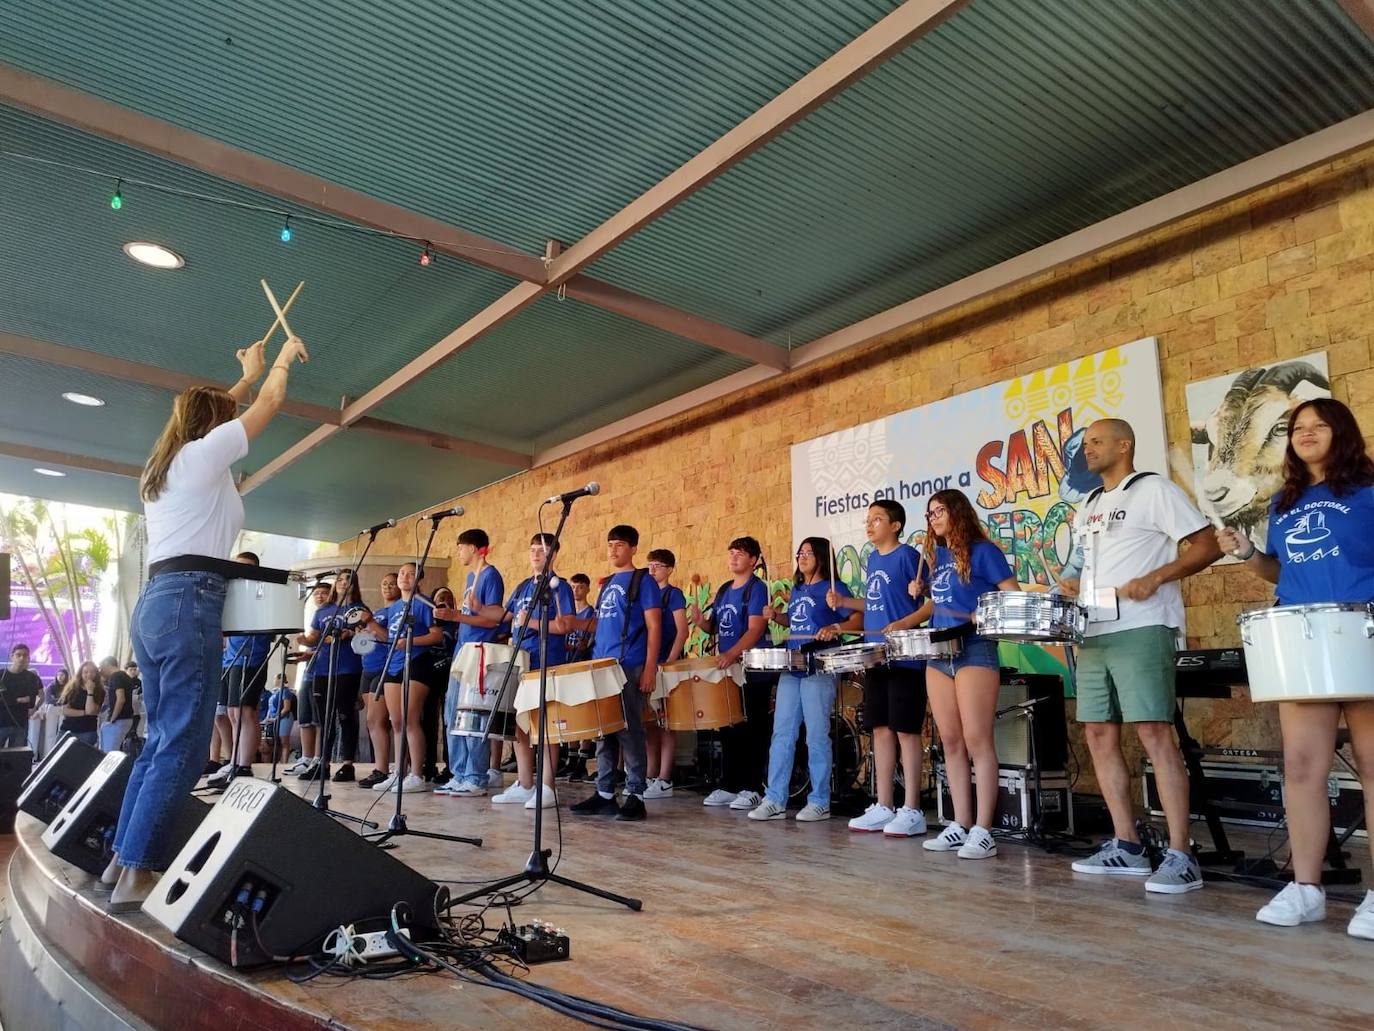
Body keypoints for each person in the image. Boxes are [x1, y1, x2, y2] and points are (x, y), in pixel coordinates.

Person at [105, 327, 307, 910]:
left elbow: (225, 406)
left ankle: (122, 858)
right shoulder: (203, 455)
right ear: (213, 424)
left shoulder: (166, 463)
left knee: (160, 740)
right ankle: (136, 871)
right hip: (190, 597)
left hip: (158, 602)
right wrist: (282, 362)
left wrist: (246, 373)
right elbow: (269, 404)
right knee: (185, 746)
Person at [1218, 398, 1374, 937]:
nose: (1305, 434)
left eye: (1318, 425)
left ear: (1341, 432)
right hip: (1303, 639)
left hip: (1362, 631)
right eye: (1297, 428)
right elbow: (1280, 571)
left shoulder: (1369, 492)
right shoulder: (1284, 503)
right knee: (1303, 767)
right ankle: (1306, 888)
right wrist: (1247, 553)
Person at [1060, 418, 1220, 895]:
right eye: (1085, 443)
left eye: (1097, 441)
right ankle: (1127, 845)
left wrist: (1157, 576)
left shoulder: (1152, 489)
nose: (1088, 450)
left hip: (1142, 626)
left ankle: (1181, 854)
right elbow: (1091, 567)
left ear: (1124, 445)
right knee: (1097, 733)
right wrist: (1073, 586)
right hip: (1093, 630)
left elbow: (1208, 544)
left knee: (1153, 731)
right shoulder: (1088, 504)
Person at [901, 490, 1019, 859]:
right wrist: (919, 595)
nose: (933, 518)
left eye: (940, 511)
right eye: (929, 513)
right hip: (939, 653)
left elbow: (1012, 595)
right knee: (950, 741)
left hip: (975, 648)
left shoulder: (984, 552)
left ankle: (984, 830)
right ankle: (960, 823)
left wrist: (982, 614)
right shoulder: (937, 557)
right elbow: (941, 602)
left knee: (977, 739)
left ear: (958, 512)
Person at [827, 500, 929, 837]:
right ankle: (884, 804)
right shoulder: (872, 559)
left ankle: (912, 808)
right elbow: (873, 603)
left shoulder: (908, 556)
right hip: (875, 656)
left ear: (896, 525)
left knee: (906, 730)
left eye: (877, 519)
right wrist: (845, 603)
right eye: (867, 520)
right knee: (881, 729)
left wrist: (903, 623)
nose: (869, 525)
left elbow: (929, 602)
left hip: (903, 656)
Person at [748, 537, 861, 822]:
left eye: (809, 552)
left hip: (818, 666)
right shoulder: (798, 589)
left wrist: (836, 627)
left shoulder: (833, 588)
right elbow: (796, 620)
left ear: (822, 557)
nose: (802, 556)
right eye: (800, 552)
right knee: (782, 734)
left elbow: (857, 619)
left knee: (816, 735)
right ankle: (775, 798)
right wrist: (777, 616)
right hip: (792, 666)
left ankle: (820, 800)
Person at [570, 524, 662, 822]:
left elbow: (654, 627)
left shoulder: (643, 581)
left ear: (633, 548)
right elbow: (604, 622)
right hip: (602, 664)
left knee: (629, 729)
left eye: (620, 544)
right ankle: (605, 792)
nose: (613, 550)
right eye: (610, 544)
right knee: (603, 729)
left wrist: (649, 668)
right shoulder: (607, 582)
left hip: (629, 663)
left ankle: (636, 794)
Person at [489, 533, 576, 810]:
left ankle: (547, 787)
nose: (536, 554)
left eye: (542, 550)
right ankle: (525, 783)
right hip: (521, 659)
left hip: (546, 659)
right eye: (532, 549)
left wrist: (533, 623)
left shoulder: (559, 587)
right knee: (520, 722)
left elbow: (566, 625)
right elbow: (505, 618)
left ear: (554, 554)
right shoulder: (523, 586)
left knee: (545, 724)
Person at [687, 536, 774, 811]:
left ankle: (752, 787)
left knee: (752, 729)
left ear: (754, 560)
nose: (733, 557)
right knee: (728, 728)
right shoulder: (725, 589)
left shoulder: (757, 588)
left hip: (751, 670)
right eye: (731, 552)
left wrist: (732, 653)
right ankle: (729, 784)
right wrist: (700, 622)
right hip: (728, 670)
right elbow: (714, 627)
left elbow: (756, 629)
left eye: (740, 553)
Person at [359, 562, 444, 793]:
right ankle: (398, 772)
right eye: (402, 573)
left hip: (416, 661)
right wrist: (370, 627)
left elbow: (436, 635)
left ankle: (417, 774)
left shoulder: (424, 603)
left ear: (419, 578)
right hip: (393, 664)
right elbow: (389, 637)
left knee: (409, 719)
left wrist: (410, 642)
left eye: (411, 574)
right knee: (396, 721)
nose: (405, 577)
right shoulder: (394, 607)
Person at [433, 529, 505, 796]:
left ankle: (476, 776)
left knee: (472, 715)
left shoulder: (490, 575)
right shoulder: (471, 576)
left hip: (478, 651)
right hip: (462, 651)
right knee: (452, 713)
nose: (458, 552)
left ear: (474, 548)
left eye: (461, 547)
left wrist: (456, 617)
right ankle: (459, 772)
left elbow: (493, 620)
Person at [206, 551, 275, 788]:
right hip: (230, 658)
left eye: (247, 567)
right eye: (238, 566)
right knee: (232, 713)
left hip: (251, 656)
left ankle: (244, 766)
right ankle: (235, 760)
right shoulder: (231, 592)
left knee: (246, 712)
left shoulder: (261, 593)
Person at [297, 569, 365, 783]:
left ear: (354, 584)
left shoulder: (359, 609)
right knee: (324, 717)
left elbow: (365, 636)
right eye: (340, 579)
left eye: (348, 579)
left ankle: (347, 764)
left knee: (345, 715)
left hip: (348, 668)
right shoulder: (324, 610)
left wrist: (350, 633)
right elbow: (313, 637)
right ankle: (323, 763)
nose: (343, 583)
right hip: (322, 668)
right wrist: (303, 639)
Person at [643, 549, 688, 799]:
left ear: (669, 569)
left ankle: (665, 778)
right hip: (648, 664)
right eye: (649, 565)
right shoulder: (645, 593)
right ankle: (650, 774)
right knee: (649, 722)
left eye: (657, 566)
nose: (652, 570)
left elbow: (682, 631)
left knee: (666, 722)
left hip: (665, 664)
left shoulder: (673, 594)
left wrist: (670, 661)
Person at [284, 581, 330, 778]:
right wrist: (303, 645)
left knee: (318, 719)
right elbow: (311, 643)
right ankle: (306, 757)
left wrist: (310, 650)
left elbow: (328, 645)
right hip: (309, 672)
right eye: (317, 593)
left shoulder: (333, 616)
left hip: (324, 672)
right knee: (304, 717)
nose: (319, 596)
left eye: (324, 593)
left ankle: (318, 758)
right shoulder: (316, 616)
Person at [358, 570, 400, 788]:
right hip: (368, 668)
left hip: (385, 669)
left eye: (392, 583)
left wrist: (371, 623)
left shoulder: (397, 610)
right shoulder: (377, 612)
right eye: (384, 583)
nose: (387, 587)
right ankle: (381, 767)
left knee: (377, 720)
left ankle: (383, 769)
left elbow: (390, 638)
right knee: (372, 722)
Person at [560, 572, 598, 781]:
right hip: (567, 664)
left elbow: (593, 639)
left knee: (584, 712)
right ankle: (571, 757)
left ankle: (582, 759)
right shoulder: (567, 613)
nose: (576, 591)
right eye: (573, 587)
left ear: (587, 589)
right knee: (569, 712)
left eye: (580, 587)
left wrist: (586, 645)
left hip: (582, 665)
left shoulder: (590, 613)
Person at [0, 643, 41, 747]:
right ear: (12, 656)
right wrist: (19, 699)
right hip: (1, 722)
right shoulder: (1, 675)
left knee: (17, 755)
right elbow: (2, 699)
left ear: (28, 658)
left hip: (20, 723)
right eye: (18, 655)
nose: (22, 658)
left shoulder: (31, 677)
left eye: (25, 655)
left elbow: (31, 701)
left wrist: (10, 699)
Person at [60, 660, 104, 747]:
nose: (89, 675)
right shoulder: (72, 688)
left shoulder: (100, 691)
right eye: (86, 672)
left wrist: (90, 691)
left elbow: (91, 711)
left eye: (92, 672)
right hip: (67, 729)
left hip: (87, 731)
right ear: (81, 673)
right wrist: (84, 712)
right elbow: (65, 710)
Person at [99, 656, 137, 753]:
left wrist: (113, 718)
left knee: (108, 752)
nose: (101, 671)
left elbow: (121, 699)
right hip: (127, 717)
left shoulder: (116, 676)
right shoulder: (126, 677)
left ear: (107, 664)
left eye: (101, 668)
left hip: (119, 719)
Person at [260, 673, 295, 765]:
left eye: (275, 679)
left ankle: (284, 762)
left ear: (280, 679)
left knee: (284, 741)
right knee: (276, 741)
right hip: (274, 718)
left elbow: (286, 708)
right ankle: (277, 761)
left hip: (284, 718)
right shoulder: (274, 692)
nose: (274, 681)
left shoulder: (285, 691)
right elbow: (270, 708)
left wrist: (277, 717)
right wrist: (267, 719)